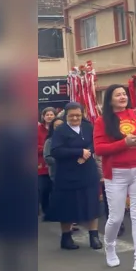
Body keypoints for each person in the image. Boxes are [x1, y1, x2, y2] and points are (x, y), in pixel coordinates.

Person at [93, 85, 136, 270]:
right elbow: (99, 149)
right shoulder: (102, 121)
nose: (122, 97)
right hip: (116, 173)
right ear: (110, 99)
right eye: (118, 95)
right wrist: (124, 143)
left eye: (124, 94)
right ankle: (110, 246)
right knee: (116, 217)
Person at [46, 102, 102, 250]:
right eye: (72, 115)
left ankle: (94, 236)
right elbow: (56, 151)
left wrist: (87, 152)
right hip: (67, 174)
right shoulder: (61, 130)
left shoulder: (88, 127)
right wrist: (78, 152)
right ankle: (66, 238)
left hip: (87, 172)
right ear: (66, 116)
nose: (75, 118)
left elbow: (95, 142)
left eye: (78, 115)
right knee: (67, 207)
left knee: (91, 204)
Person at [38, 107, 57, 220]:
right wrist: (46, 149)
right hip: (41, 164)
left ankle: (55, 212)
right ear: (43, 116)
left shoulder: (58, 128)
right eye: (47, 114)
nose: (49, 116)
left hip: (55, 165)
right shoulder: (37, 129)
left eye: (52, 114)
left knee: (55, 190)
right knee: (43, 189)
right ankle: (45, 211)